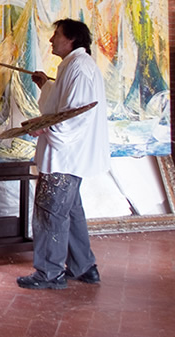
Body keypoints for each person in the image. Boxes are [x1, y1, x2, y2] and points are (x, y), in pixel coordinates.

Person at [16, 18, 110, 290]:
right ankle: (84, 267)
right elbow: (63, 103)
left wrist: (43, 127)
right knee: (70, 210)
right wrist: (45, 85)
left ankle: (49, 273)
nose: (51, 39)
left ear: (71, 39)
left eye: (56, 34)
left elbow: (76, 115)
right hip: (69, 156)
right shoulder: (74, 65)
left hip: (66, 156)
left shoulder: (79, 68)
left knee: (50, 212)